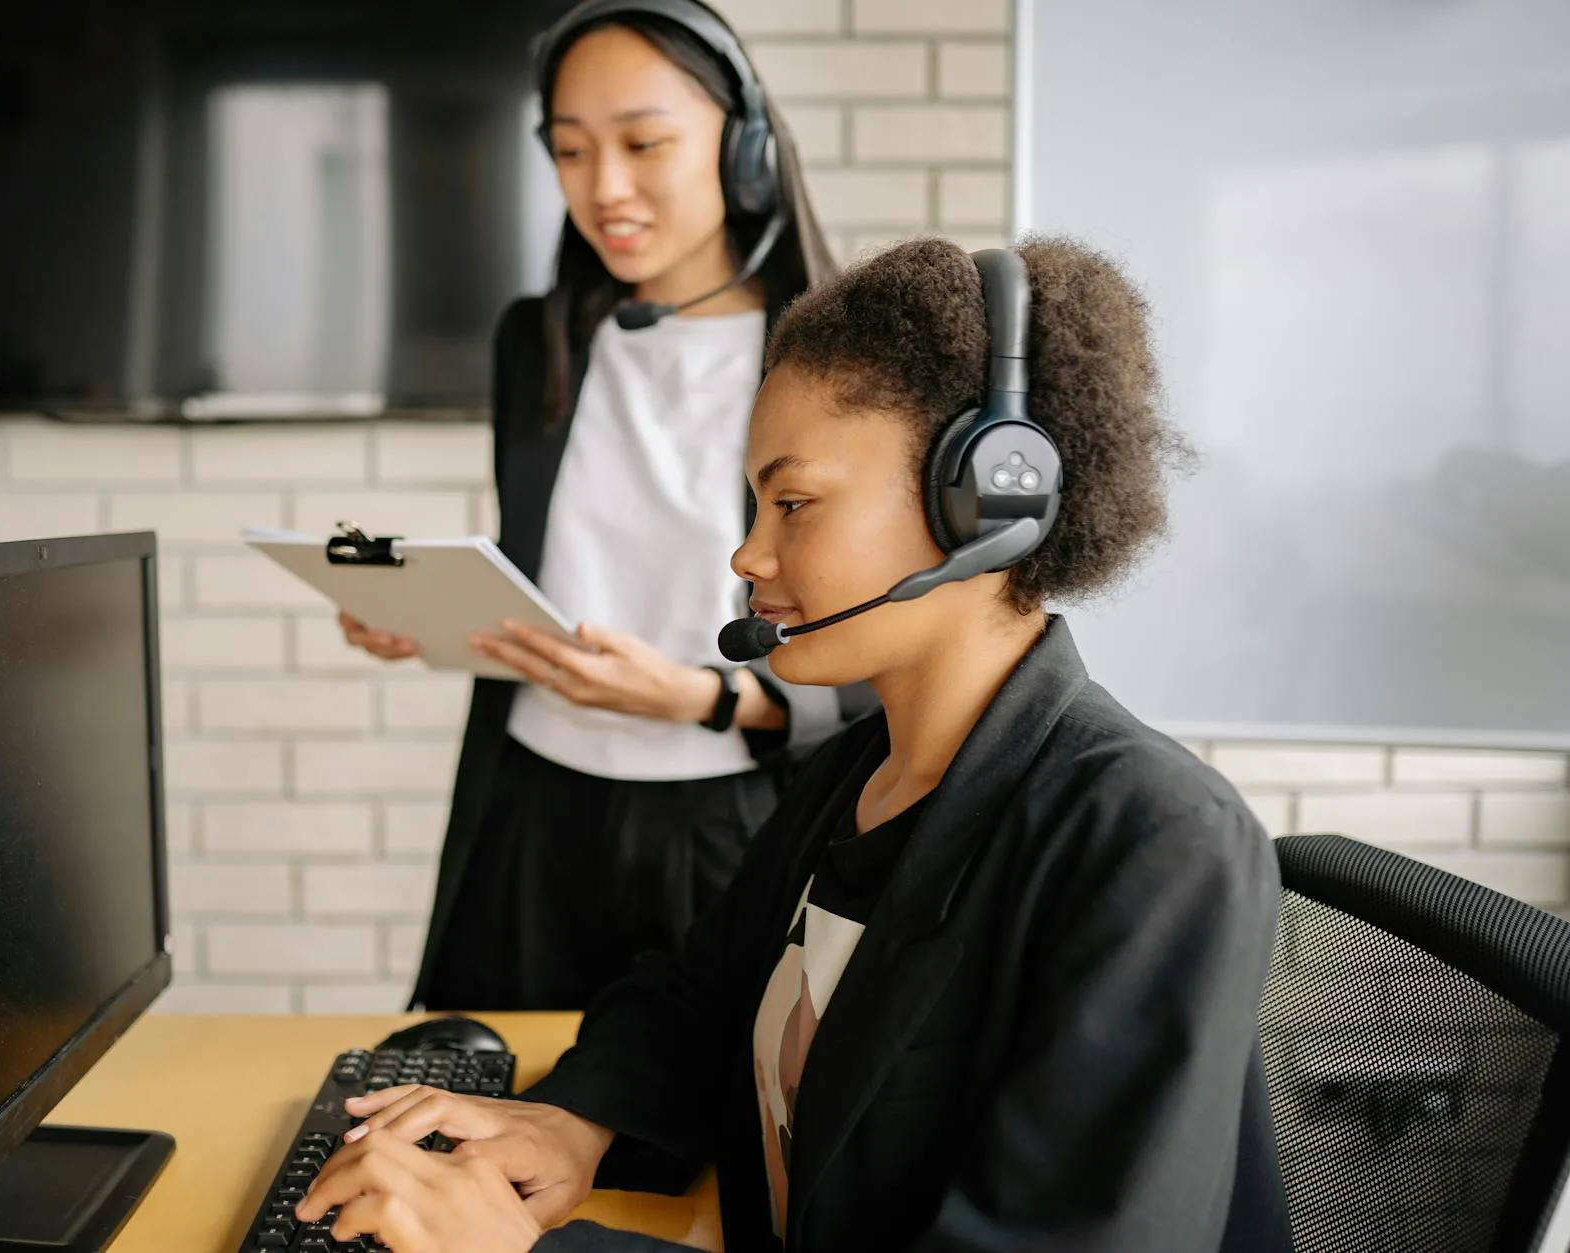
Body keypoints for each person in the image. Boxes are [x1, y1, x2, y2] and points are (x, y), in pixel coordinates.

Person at [295, 235, 1291, 1253]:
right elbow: (698, 993)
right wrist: (574, 1117)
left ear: (987, 504)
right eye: (754, 503)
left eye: (794, 503)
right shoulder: (857, 772)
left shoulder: (1152, 844)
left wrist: (526, 1252)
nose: (747, 552)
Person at [339, 0, 873, 1013]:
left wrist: (702, 698)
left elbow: (883, 648)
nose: (605, 189)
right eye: (570, 151)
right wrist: (438, 610)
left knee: (716, 1131)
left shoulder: (836, 360)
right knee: (487, 1097)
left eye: (643, 143)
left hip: (732, 819)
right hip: (533, 808)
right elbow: (565, 558)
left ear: (746, 147)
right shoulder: (536, 339)